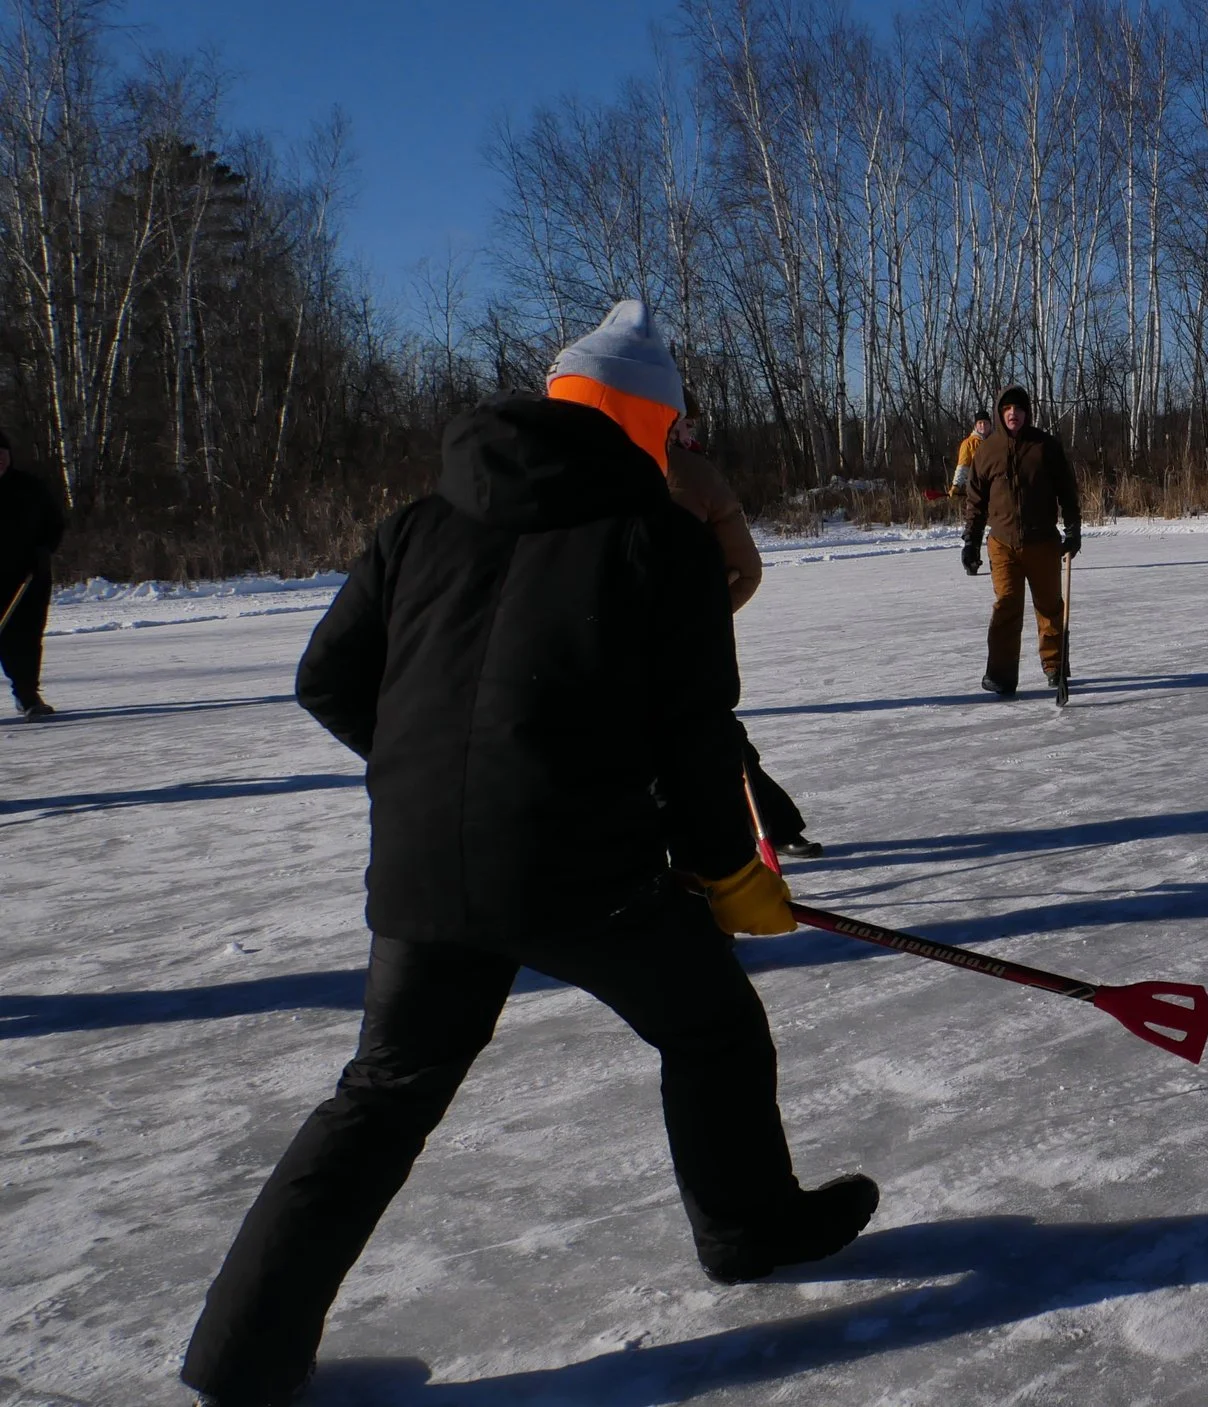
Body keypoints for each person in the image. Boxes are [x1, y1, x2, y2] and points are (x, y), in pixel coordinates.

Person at [178, 300, 877, 1407]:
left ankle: (239, 1358)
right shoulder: (659, 541)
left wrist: (436, 780)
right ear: (646, 420)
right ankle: (747, 1227)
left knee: (380, 1097)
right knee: (712, 1028)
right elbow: (695, 739)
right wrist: (726, 874)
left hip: (423, 872)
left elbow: (328, 682)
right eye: (669, 425)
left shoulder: (418, 524)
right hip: (583, 874)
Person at [666, 402, 821, 858]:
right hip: (634, 640)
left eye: (690, 422)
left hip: (688, 637)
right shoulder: (618, 466)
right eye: (682, 421)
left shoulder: (693, 472)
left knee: (715, 738)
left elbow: (745, 568)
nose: (688, 429)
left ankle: (771, 825)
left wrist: (703, 618)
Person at [962, 385, 1080, 699]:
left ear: (1027, 412)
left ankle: (1055, 666)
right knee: (1006, 606)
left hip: (1042, 541)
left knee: (1050, 606)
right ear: (1000, 413)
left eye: (1019, 408)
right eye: (1007, 408)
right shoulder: (987, 450)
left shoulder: (1045, 447)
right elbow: (975, 502)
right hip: (1002, 543)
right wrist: (971, 543)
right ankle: (1001, 675)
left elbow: (1067, 491)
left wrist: (1073, 530)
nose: (1013, 413)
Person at [0, 429, 64, 719]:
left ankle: (27, 694)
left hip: (27, 578)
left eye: (2, 455)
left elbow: (55, 522)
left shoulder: (30, 487)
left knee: (25, 638)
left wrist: (44, 550)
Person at [952, 410, 991, 499]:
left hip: (996, 488)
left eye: (986, 423)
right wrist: (956, 485)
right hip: (976, 488)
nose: (983, 425)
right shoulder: (968, 443)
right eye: (980, 423)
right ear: (975, 426)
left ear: (990, 425)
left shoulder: (997, 441)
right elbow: (962, 467)